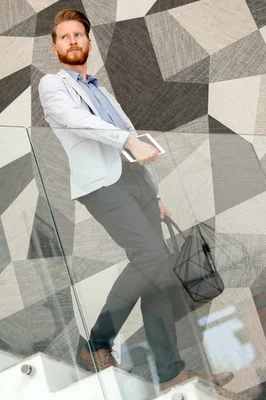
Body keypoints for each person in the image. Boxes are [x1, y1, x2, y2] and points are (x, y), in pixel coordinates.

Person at [38, 9, 233, 391]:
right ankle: (96, 344)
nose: (73, 41)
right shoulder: (53, 86)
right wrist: (128, 141)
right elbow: (79, 122)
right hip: (101, 185)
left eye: (79, 34)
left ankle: (171, 372)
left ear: (89, 42)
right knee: (150, 259)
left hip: (135, 183)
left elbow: (129, 133)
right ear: (55, 46)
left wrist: (153, 194)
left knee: (158, 276)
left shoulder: (102, 90)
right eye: (65, 36)